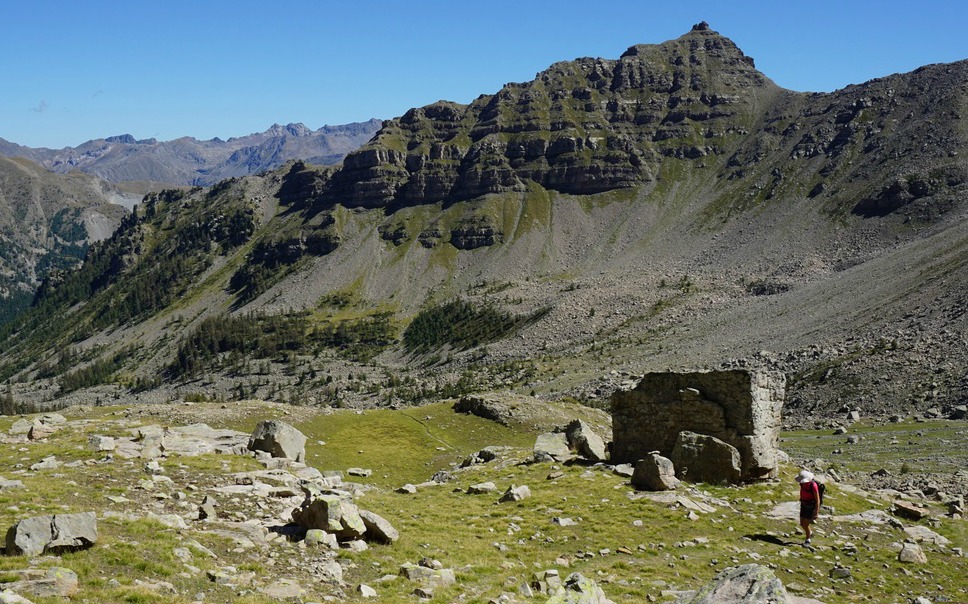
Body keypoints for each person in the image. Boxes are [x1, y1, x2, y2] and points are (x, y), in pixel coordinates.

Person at [796, 469, 820, 545]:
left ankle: (808, 539)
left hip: (811, 506)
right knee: (802, 523)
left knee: (805, 523)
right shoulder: (802, 484)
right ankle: (810, 533)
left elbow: (817, 500)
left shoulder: (813, 485)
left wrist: (816, 512)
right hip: (803, 504)